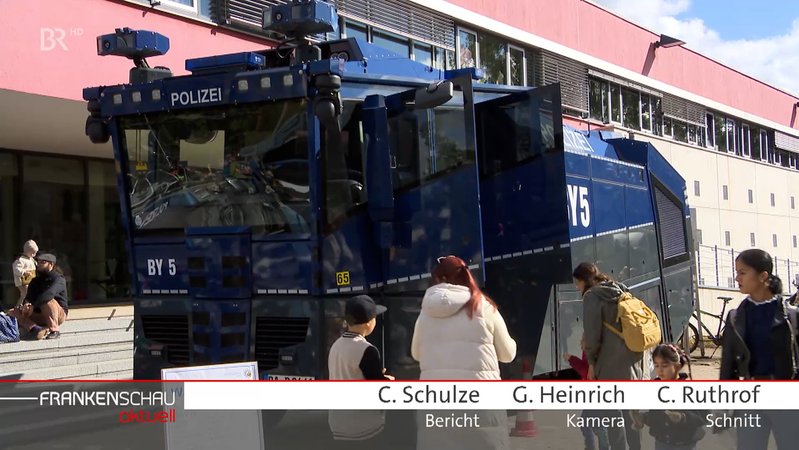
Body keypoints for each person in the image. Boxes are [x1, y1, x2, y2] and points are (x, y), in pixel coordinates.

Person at [411, 255, 516, 450]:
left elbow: (416, 354)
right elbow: (508, 354)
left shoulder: (425, 313)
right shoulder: (484, 307)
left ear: (439, 279)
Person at [719, 249, 799, 450]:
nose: (737, 278)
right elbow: (728, 366)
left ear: (763, 276)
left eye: (742, 272)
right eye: (736, 272)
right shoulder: (735, 317)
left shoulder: (792, 316)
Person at [573, 261, 645, 450]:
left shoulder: (592, 297)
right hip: (633, 361)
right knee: (631, 416)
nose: (576, 287)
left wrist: (591, 363)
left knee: (613, 417)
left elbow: (593, 336)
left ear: (584, 280)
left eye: (577, 282)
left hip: (610, 366)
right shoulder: (619, 288)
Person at [328, 295, 393, 448]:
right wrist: (387, 380)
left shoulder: (336, 345)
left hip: (337, 423)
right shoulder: (366, 350)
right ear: (369, 322)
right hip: (362, 425)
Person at [632, 344, 706, 450]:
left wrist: (683, 417)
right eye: (656, 365)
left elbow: (703, 416)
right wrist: (643, 419)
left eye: (664, 365)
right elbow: (655, 416)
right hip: (662, 442)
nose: (660, 370)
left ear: (677, 366)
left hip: (685, 444)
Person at [564, 336, 610, 450]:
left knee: (598, 427)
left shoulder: (594, 357)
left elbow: (587, 374)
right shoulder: (588, 354)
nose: (580, 342)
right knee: (585, 423)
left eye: (583, 340)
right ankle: (590, 446)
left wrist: (571, 359)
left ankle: (602, 446)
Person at [10, 253, 68, 340]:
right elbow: (28, 297)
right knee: (13, 312)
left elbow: (49, 294)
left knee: (47, 300)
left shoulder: (59, 279)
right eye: (38, 262)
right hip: (38, 314)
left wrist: (34, 305)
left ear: (51, 265)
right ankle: (35, 329)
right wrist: (27, 305)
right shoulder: (35, 281)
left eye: (43, 262)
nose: (39, 264)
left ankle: (54, 330)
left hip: (57, 314)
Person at [11, 240, 38, 307]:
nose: (33, 255)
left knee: (30, 293)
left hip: (30, 280)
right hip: (23, 281)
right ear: (27, 251)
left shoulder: (31, 259)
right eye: (32, 253)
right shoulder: (20, 260)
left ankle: (27, 307)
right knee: (24, 294)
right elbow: (16, 268)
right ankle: (18, 307)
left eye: (34, 253)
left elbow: (36, 265)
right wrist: (23, 272)